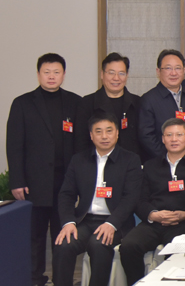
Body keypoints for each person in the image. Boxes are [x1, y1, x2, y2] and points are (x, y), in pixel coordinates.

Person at [6, 53, 81, 286]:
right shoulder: (22, 103)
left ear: (64, 74)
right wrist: (17, 181)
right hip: (33, 183)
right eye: (46, 72)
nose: (51, 76)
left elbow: (80, 145)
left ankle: (62, 280)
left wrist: (80, 181)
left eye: (56, 72)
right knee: (35, 236)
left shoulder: (75, 102)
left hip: (64, 182)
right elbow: (14, 146)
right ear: (38, 74)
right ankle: (35, 279)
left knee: (63, 235)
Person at [53, 113, 142, 286]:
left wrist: (112, 223)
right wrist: (68, 222)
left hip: (116, 222)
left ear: (117, 133)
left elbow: (131, 197)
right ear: (91, 135)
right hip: (85, 221)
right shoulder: (79, 160)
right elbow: (66, 194)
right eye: (98, 131)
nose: (104, 136)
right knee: (64, 245)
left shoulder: (130, 160)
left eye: (109, 131)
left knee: (99, 244)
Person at [120, 118, 185, 286]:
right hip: (154, 222)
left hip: (184, 223)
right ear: (163, 139)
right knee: (128, 246)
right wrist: (152, 214)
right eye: (169, 135)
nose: (174, 139)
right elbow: (140, 199)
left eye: (179, 135)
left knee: (177, 249)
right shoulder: (150, 165)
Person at [139, 49, 185, 159]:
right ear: (158, 71)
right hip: (161, 162)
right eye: (168, 68)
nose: (173, 73)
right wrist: (169, 157)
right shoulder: (148, 99)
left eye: (178, 68)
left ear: (184, 70)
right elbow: (146, 136)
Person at [76, 53, 143, 160]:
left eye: (121, 73)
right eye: (111, 73)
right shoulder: (87, 103)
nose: (116, 78)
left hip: (130, 164)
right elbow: (81, 141)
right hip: (97, 163)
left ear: (127, 75)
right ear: (102, 74)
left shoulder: (138, 103)